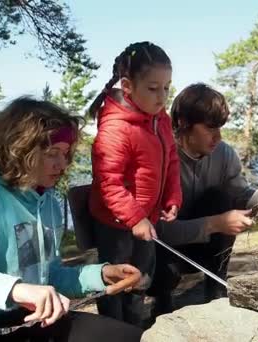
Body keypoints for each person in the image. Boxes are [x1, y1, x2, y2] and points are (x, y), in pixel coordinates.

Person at [0, 97, 143, 342]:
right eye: (52, 153)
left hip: (29, 324)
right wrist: (12, 289)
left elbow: (48, 276)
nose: (62, 164)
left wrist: (100, 274)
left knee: (133, 338)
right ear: (17, 150)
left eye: (65, 153)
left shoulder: (48, 203)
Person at [149, 83, 258, 314]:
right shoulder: (159, 156)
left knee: (220, 197)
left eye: (220, 128)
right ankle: (161, 304)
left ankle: (216, 293)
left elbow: (243, 198)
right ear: (183, 123)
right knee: (166, 257)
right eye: (211, 128)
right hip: (158, 254)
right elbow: (156, 233)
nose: (218, 137)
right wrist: (217, 223)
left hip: (200, 247)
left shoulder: (223, 154)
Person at [87, 41, 182, 325]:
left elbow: (172, 160)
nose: (162, 96)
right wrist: (136, 218)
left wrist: (172, 196)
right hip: (115, 224)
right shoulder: (116, 128)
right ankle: (114, 329)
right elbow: (109, 183)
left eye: (167, 88)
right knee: (118, 280)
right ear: (127, 86)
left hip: (146, 220)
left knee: (142, 278)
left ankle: (134, 327)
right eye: (153, 88)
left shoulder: (160, 120)